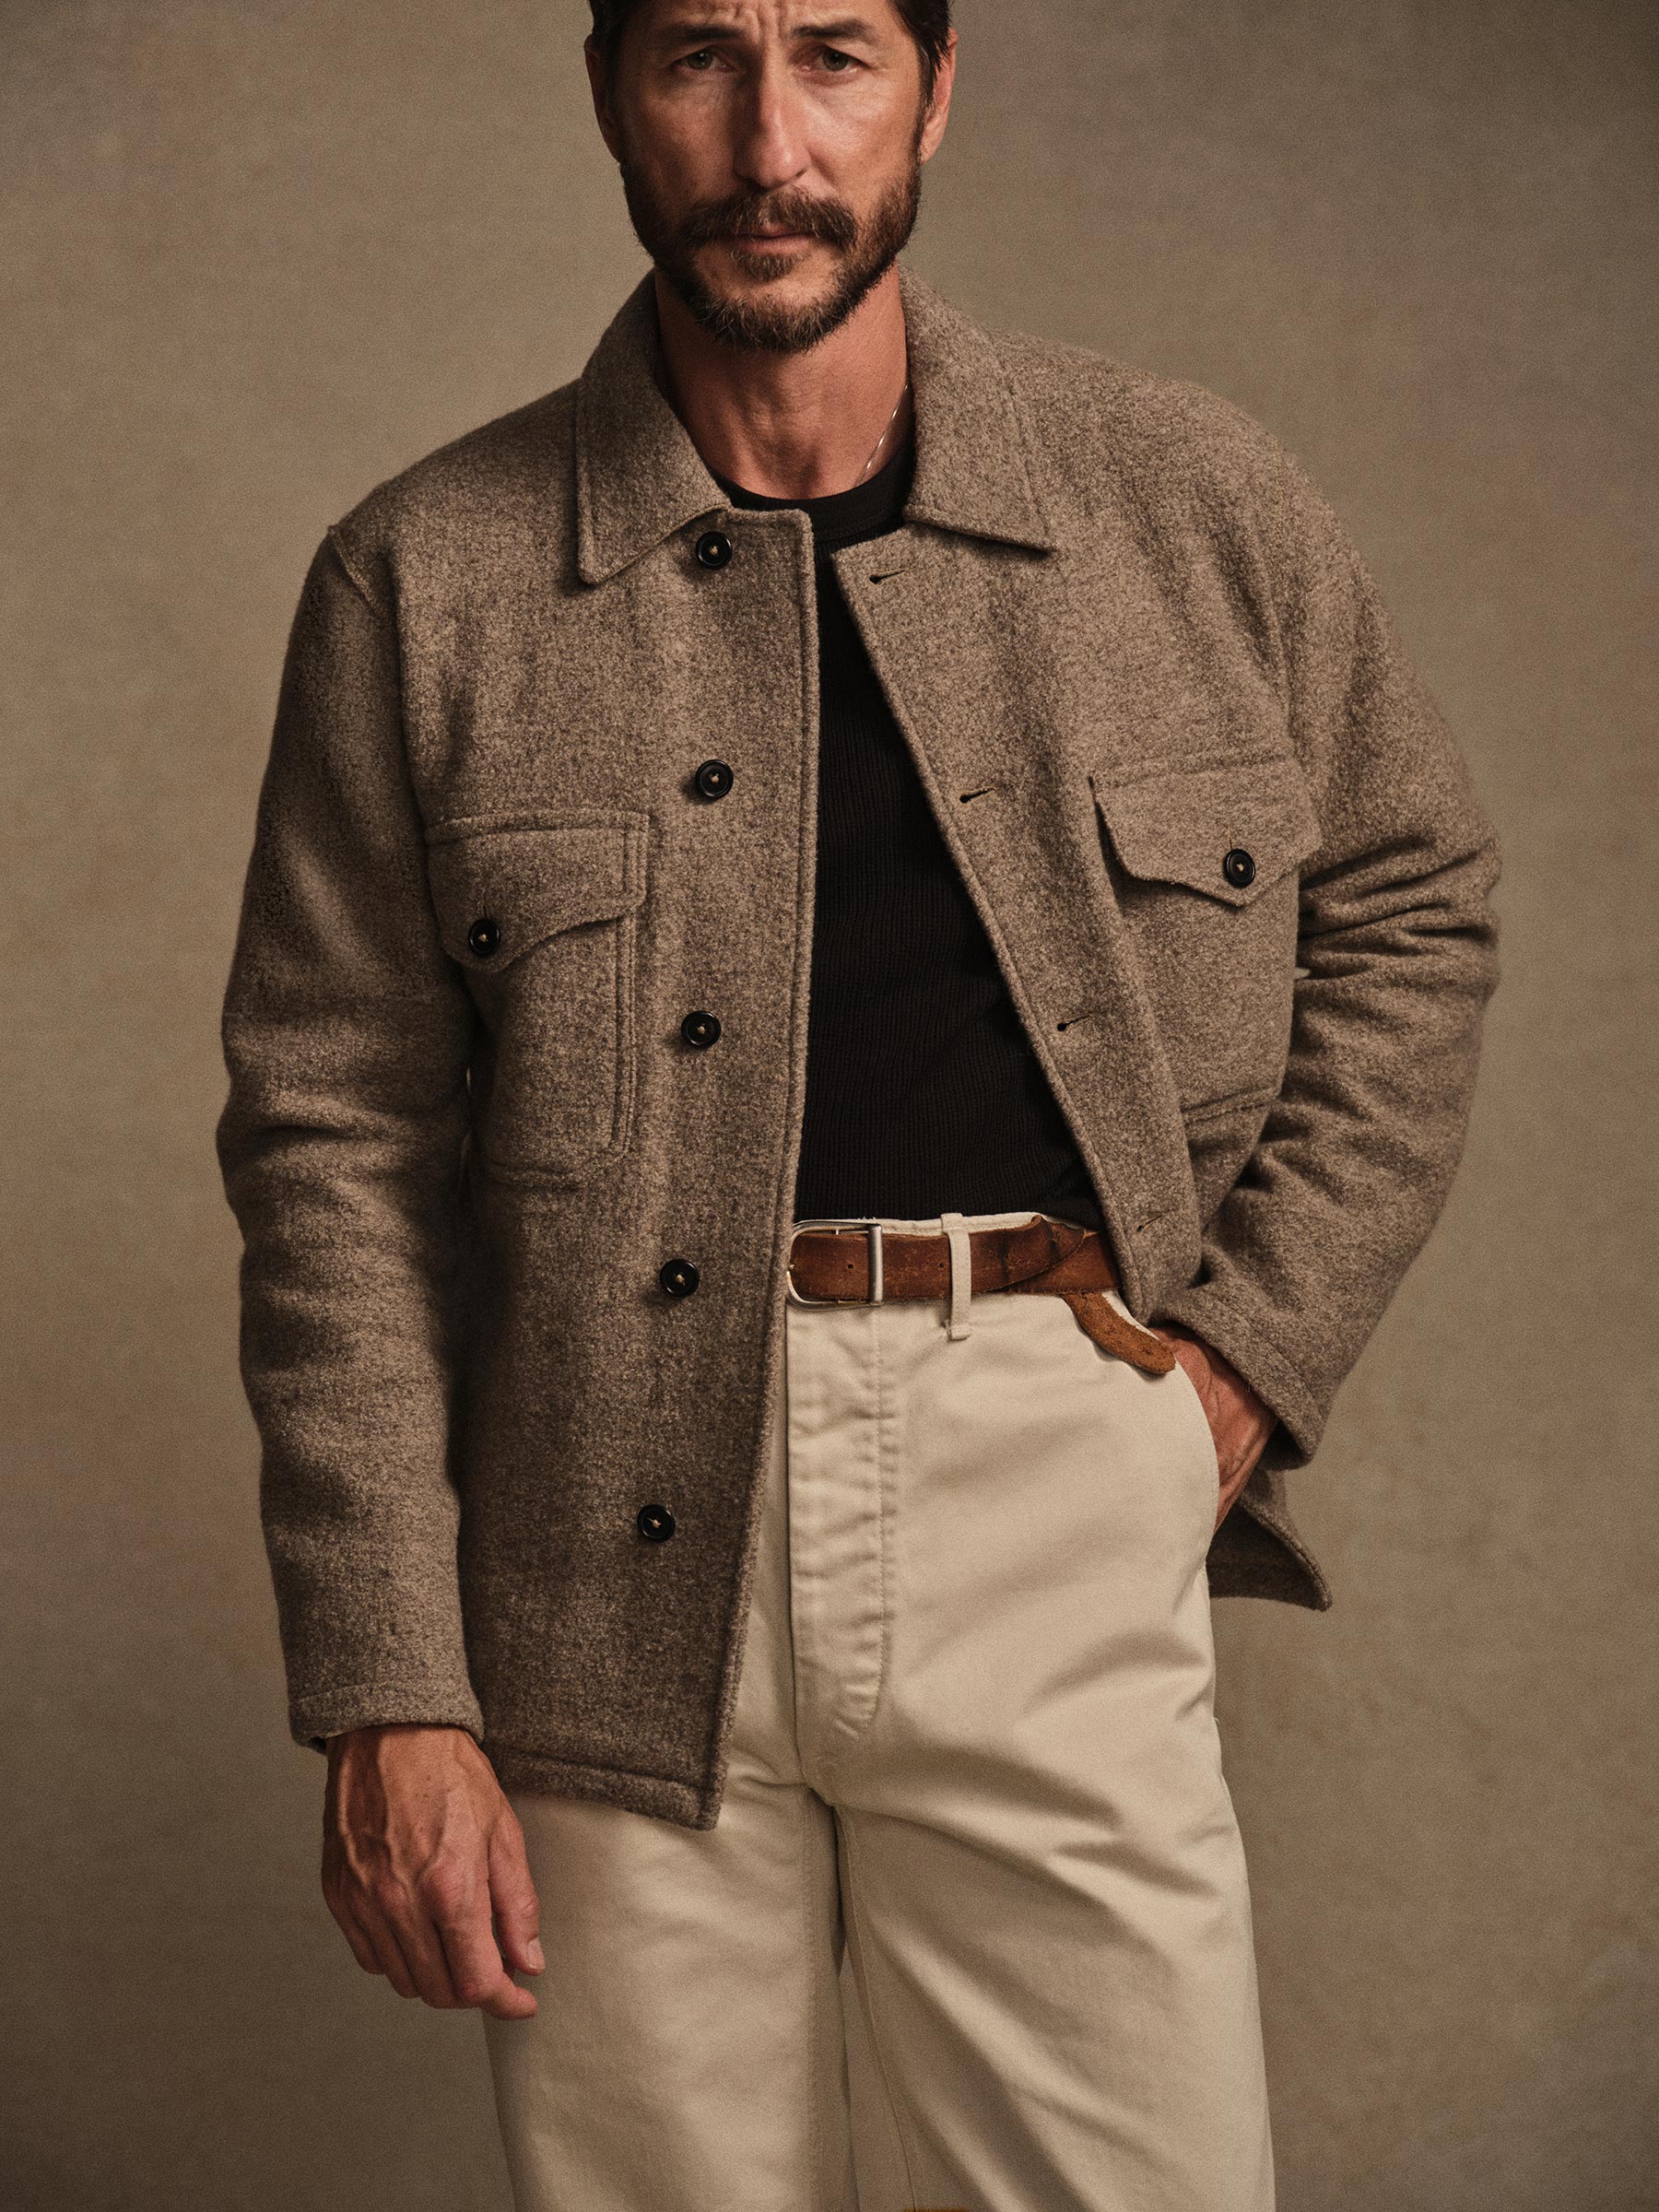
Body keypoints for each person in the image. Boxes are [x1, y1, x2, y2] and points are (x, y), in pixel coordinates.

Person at [212, 2, 1500, 2206]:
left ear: (938, 88)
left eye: (833, 56)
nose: (768, 146)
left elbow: (1411, 900)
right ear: (607, 92)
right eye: (699, 60)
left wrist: (1244, 1363)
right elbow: (330, 1138)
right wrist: (386, 1680)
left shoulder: (1190, 501)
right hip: (590, 1539)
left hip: (1058, 1466)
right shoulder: (423, 579)